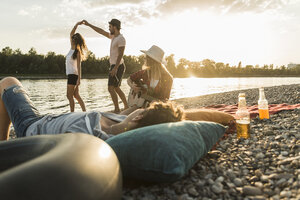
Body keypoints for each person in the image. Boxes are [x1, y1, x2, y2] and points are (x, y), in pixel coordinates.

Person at [0, 77, 184, 141]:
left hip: (31, 127)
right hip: (46, 119)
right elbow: (124, 115)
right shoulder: (122, 125)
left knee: (8, 83)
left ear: (139, 117)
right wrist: (133, 107)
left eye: (141, 110)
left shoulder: (93, 137)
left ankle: (3, 146)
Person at [82, 19, 128, 113]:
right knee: (115, 87)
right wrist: (89, 24)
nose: (109, 28)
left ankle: (119, 108)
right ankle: (124, 107)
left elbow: (120, 54)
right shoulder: (113, 37)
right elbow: (101, 32)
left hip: (118, 66)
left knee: (112, 88)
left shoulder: (121, 39)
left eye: (110, 27)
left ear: (115, 27)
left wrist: (115, 68)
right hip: (114, 65)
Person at [66, 21, 87, 112]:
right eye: (72, 38)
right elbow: (71, 33)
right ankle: (84, 111)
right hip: (71, 74)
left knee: (69, 95)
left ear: (76, 40)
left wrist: (79, 78)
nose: (72, 38)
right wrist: (77, 24)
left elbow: (79, 66)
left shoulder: (77, 52)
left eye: (74, 38)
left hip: (73, 75)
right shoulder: (71, 49)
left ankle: (72, 113)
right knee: (76, 95)